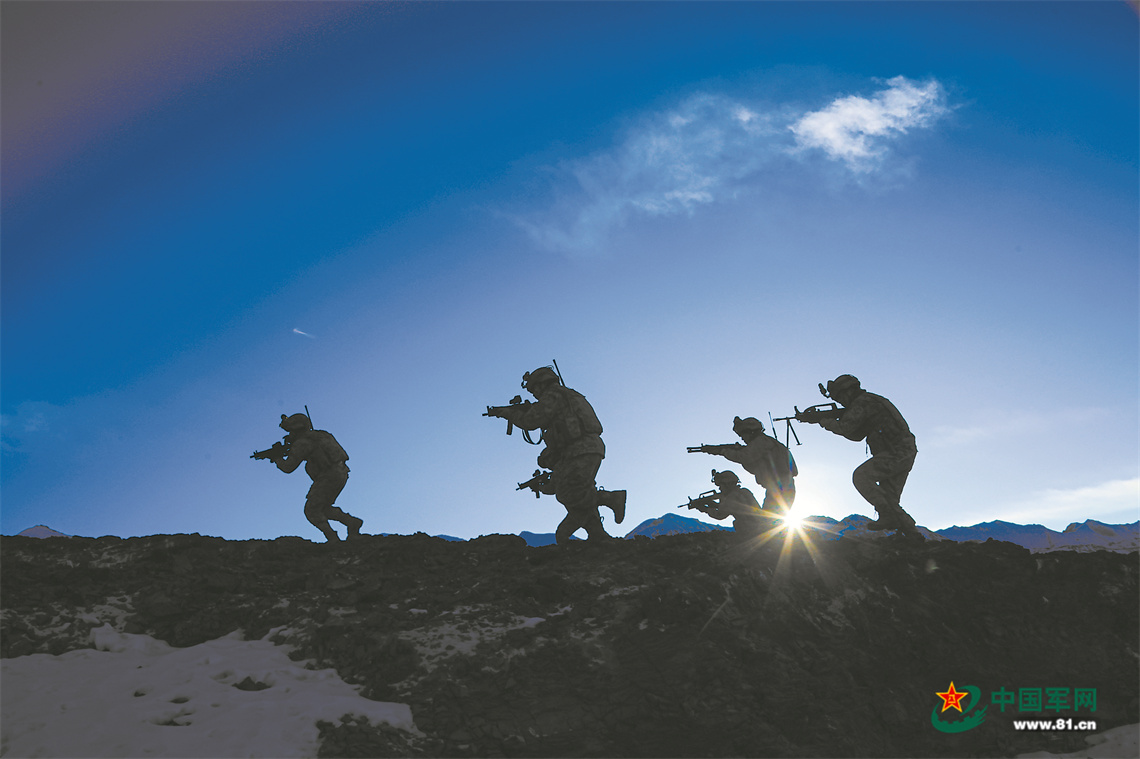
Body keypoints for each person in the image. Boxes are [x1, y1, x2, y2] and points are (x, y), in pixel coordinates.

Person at [486, 366, 625, 546]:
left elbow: (530, 421)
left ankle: (610, 498)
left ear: (542, 384)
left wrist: (509, 413)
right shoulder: (567, 395)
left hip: (581, 449)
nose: (535, 394)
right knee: (571, 491)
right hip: (581, 450)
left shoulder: (554, 396)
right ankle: (597, 534)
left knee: (569, 493)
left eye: (534, 389)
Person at [813, 375, 923, 541]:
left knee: (861, 476)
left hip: (896, 451)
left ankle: (895, 521)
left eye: (840, 397)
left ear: (848, 391)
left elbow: (846, 428)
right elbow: (856, 435)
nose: (841, 402)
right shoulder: (869, 401)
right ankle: (912, 534)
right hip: (902, 451)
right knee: (888, 499)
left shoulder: (862, 403)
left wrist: (825, 422)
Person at [264, 413, 363, 543]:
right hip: (341, 472)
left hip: (328, 476)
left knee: (311, 510)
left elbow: (288, 467)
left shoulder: (303, 443)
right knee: (322, 508)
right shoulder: (321, 435)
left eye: (291, 431)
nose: (289, 435)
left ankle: (332, 538)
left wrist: (277, 458)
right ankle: (352, 523)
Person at [691, 417, 797, 515]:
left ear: (750, 431)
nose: (742, 438)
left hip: (780, 487)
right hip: (782, 486)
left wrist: (723, 451)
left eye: (743, 435)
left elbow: (743, 457)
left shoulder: (761, 442)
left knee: (767, 522)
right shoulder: (769, 442)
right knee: (767, 520)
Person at [684, 469, 771, 538]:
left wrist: (705, 509)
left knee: (738, 524)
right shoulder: (744, 491)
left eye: (721, 485)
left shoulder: (732, 497)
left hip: (753, 529)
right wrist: (712, 504)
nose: (720, 489)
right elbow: (732, 508)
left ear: (727, 484)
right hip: (761, 526)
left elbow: (720, 515)